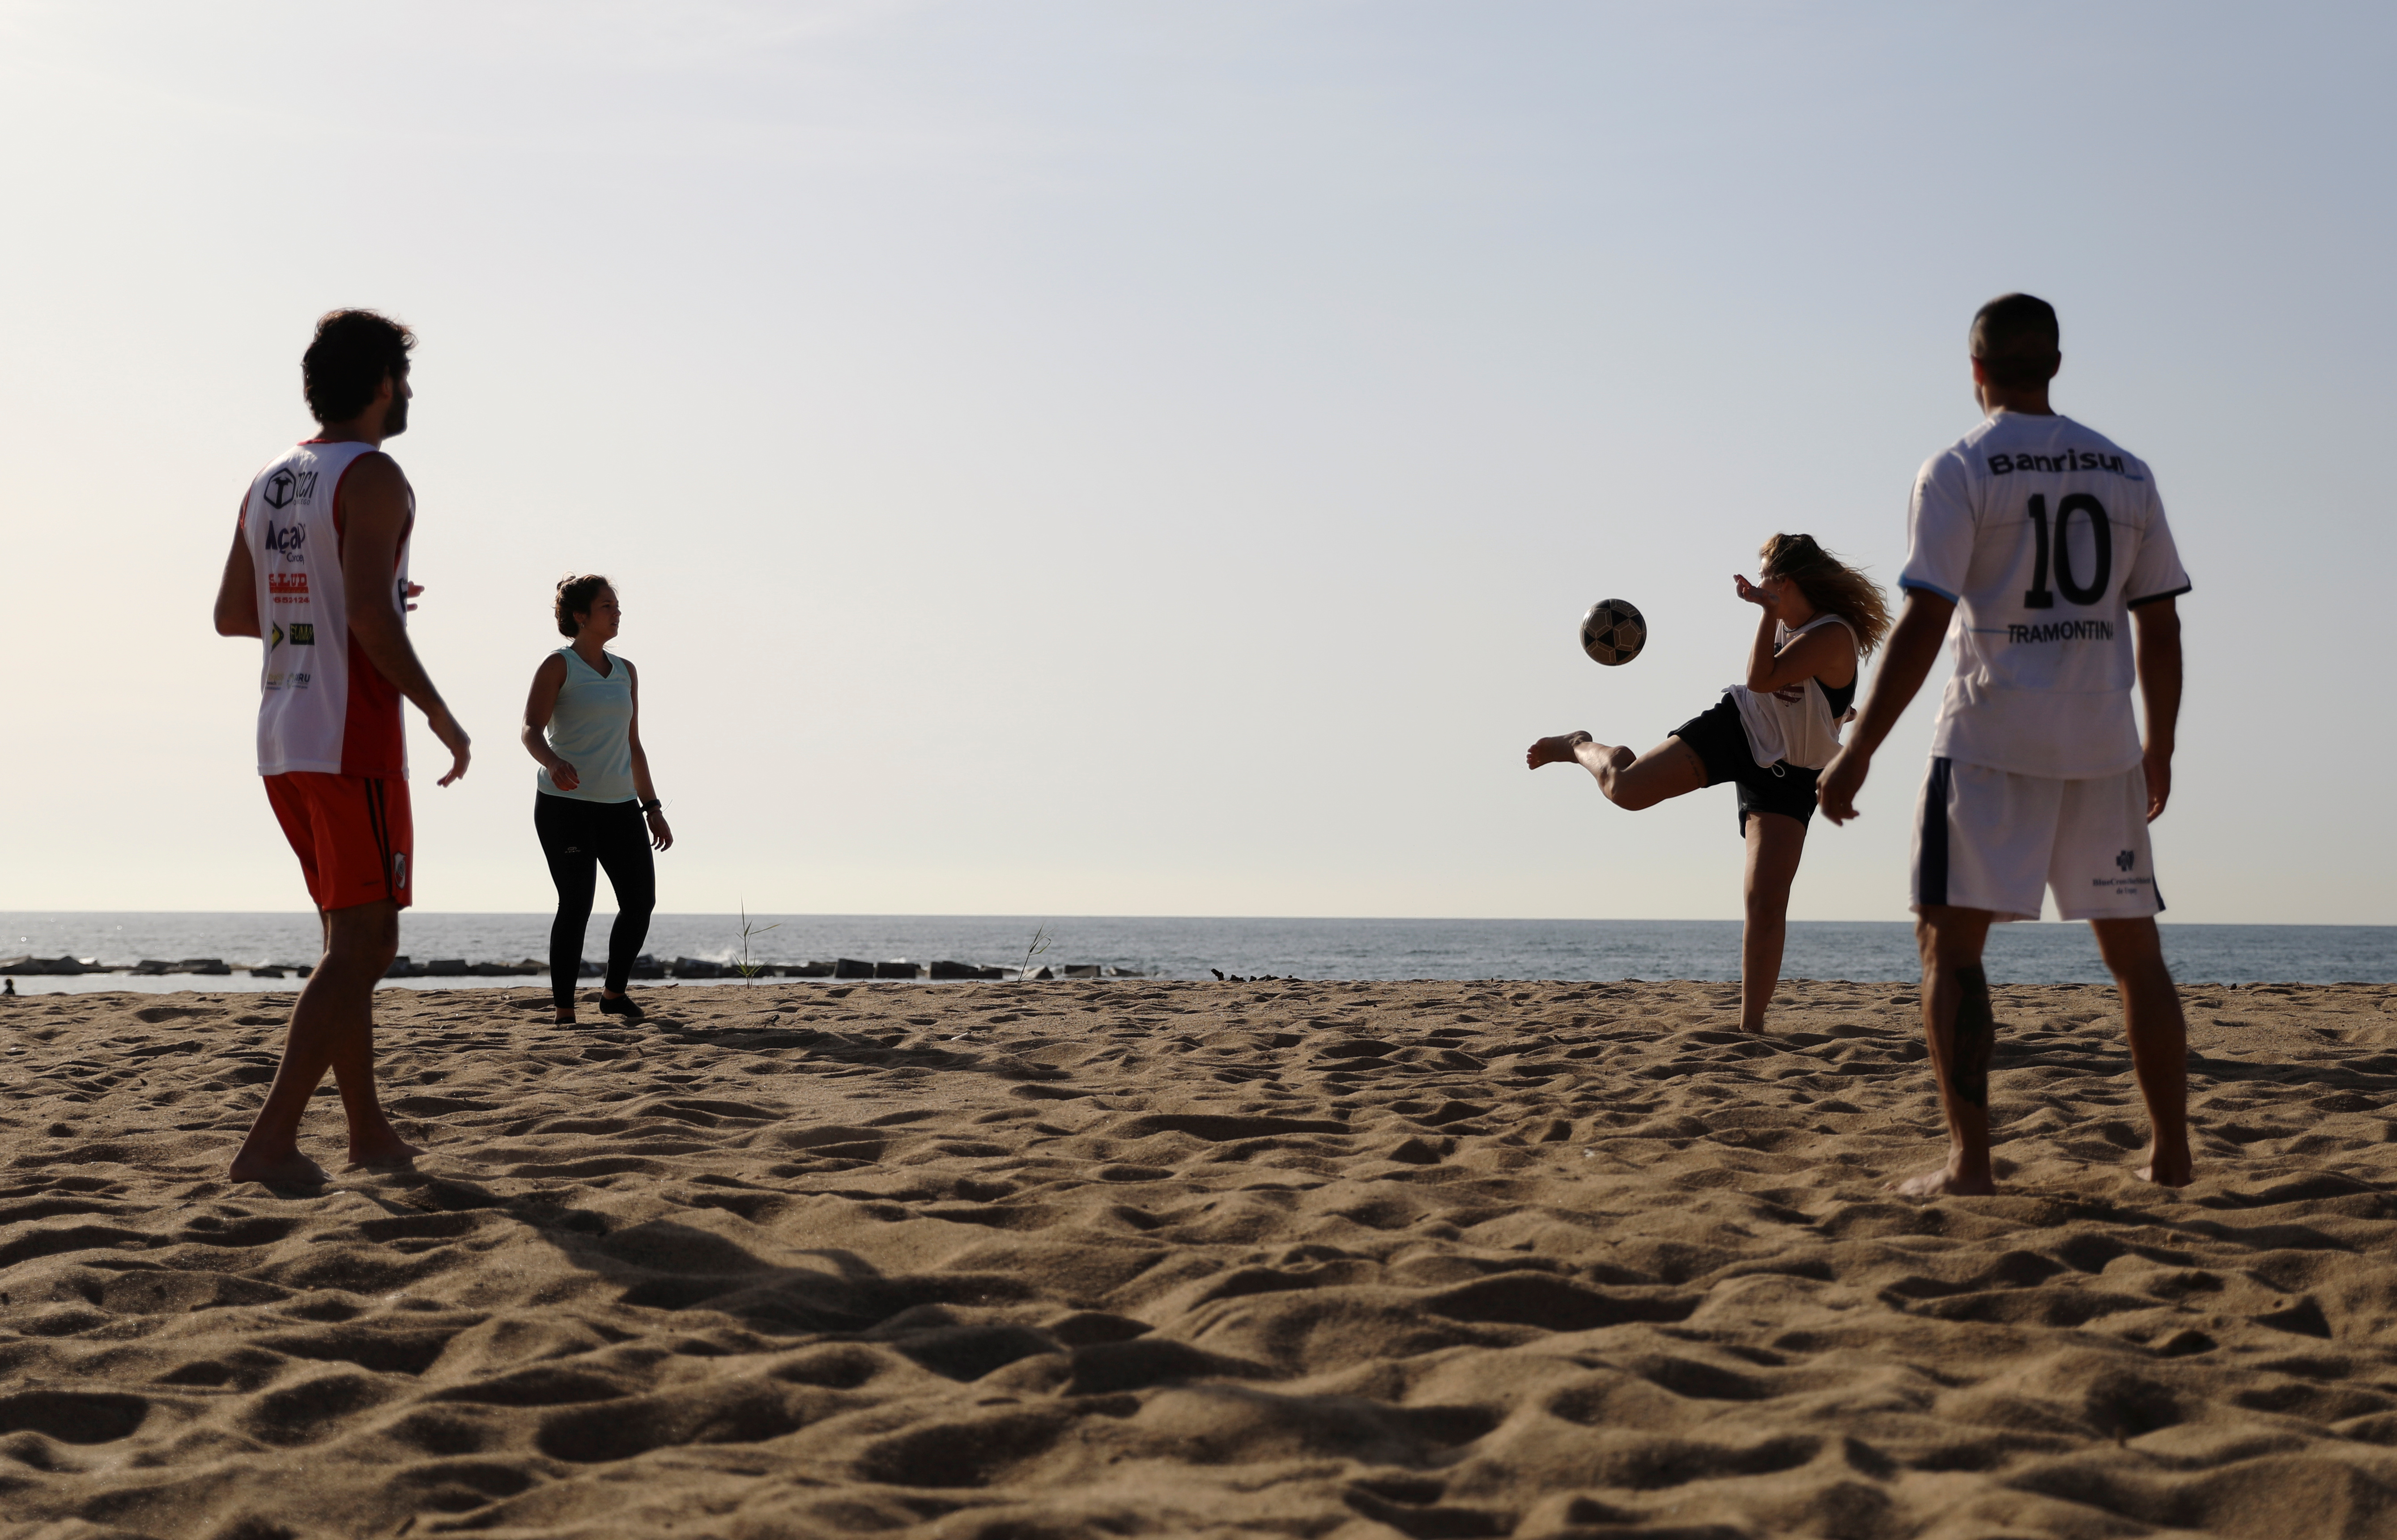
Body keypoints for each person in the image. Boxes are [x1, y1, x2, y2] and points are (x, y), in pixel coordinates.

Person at [1818, 293, 2193, 1196]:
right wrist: (2161, 746)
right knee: (2133, 954)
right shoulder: (2125, 471)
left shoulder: (1957, 466)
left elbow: (1922, 616)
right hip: (2101, 739)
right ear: (2054, 364)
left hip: (1988, 739)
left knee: (1949, 950)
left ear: (1974, 369)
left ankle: (1969, 1162)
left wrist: (1858, 744)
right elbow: (2160, 626)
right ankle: (2170, 1154)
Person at [212, 309, 472, 1187]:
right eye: (404, 378)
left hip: (282, 735)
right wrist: (436, 707)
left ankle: (367, 1131)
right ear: (381, 385)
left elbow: (237, 614)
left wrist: (355, 600)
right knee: (365, 945)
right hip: (348, 734)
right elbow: (365, 614)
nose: (409, 395)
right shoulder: (375, 476)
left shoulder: (273, 477)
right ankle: (272, 1137)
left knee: (345, 938)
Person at [1529, 535, 1890, 1031]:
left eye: (1764, 576)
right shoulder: (1787, 622)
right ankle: (1577, 745)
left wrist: (1768, 619)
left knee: (1765, 902)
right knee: (1625, 790)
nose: (1757, 583)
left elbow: (1773, 679)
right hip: (1736, 728)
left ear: (1784, 581)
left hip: (1790, 774)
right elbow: (1763, 687)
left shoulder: (1831, 634)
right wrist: (1775, 623)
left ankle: (1750, 1028)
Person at [521, 575, 673, 1025]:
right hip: (565, 807)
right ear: (581, 616)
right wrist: (552, 762)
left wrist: (652, 807)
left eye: (617, 605)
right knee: (576, 904)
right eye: (607, 605)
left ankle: (612, 994)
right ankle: (565, 1012)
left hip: (620, 805)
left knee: (640, 901)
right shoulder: (559, 665)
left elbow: (633, 744)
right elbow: (530, 728)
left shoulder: (626, 670)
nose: (617, 612)